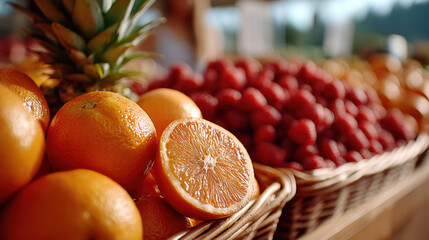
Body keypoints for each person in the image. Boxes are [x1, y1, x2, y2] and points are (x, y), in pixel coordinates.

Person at [135, 0, 224, 74]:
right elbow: (136, 63)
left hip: (202, 94)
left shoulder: (211, 33)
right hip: (167, 93)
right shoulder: (156, 31)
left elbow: (217, 68)